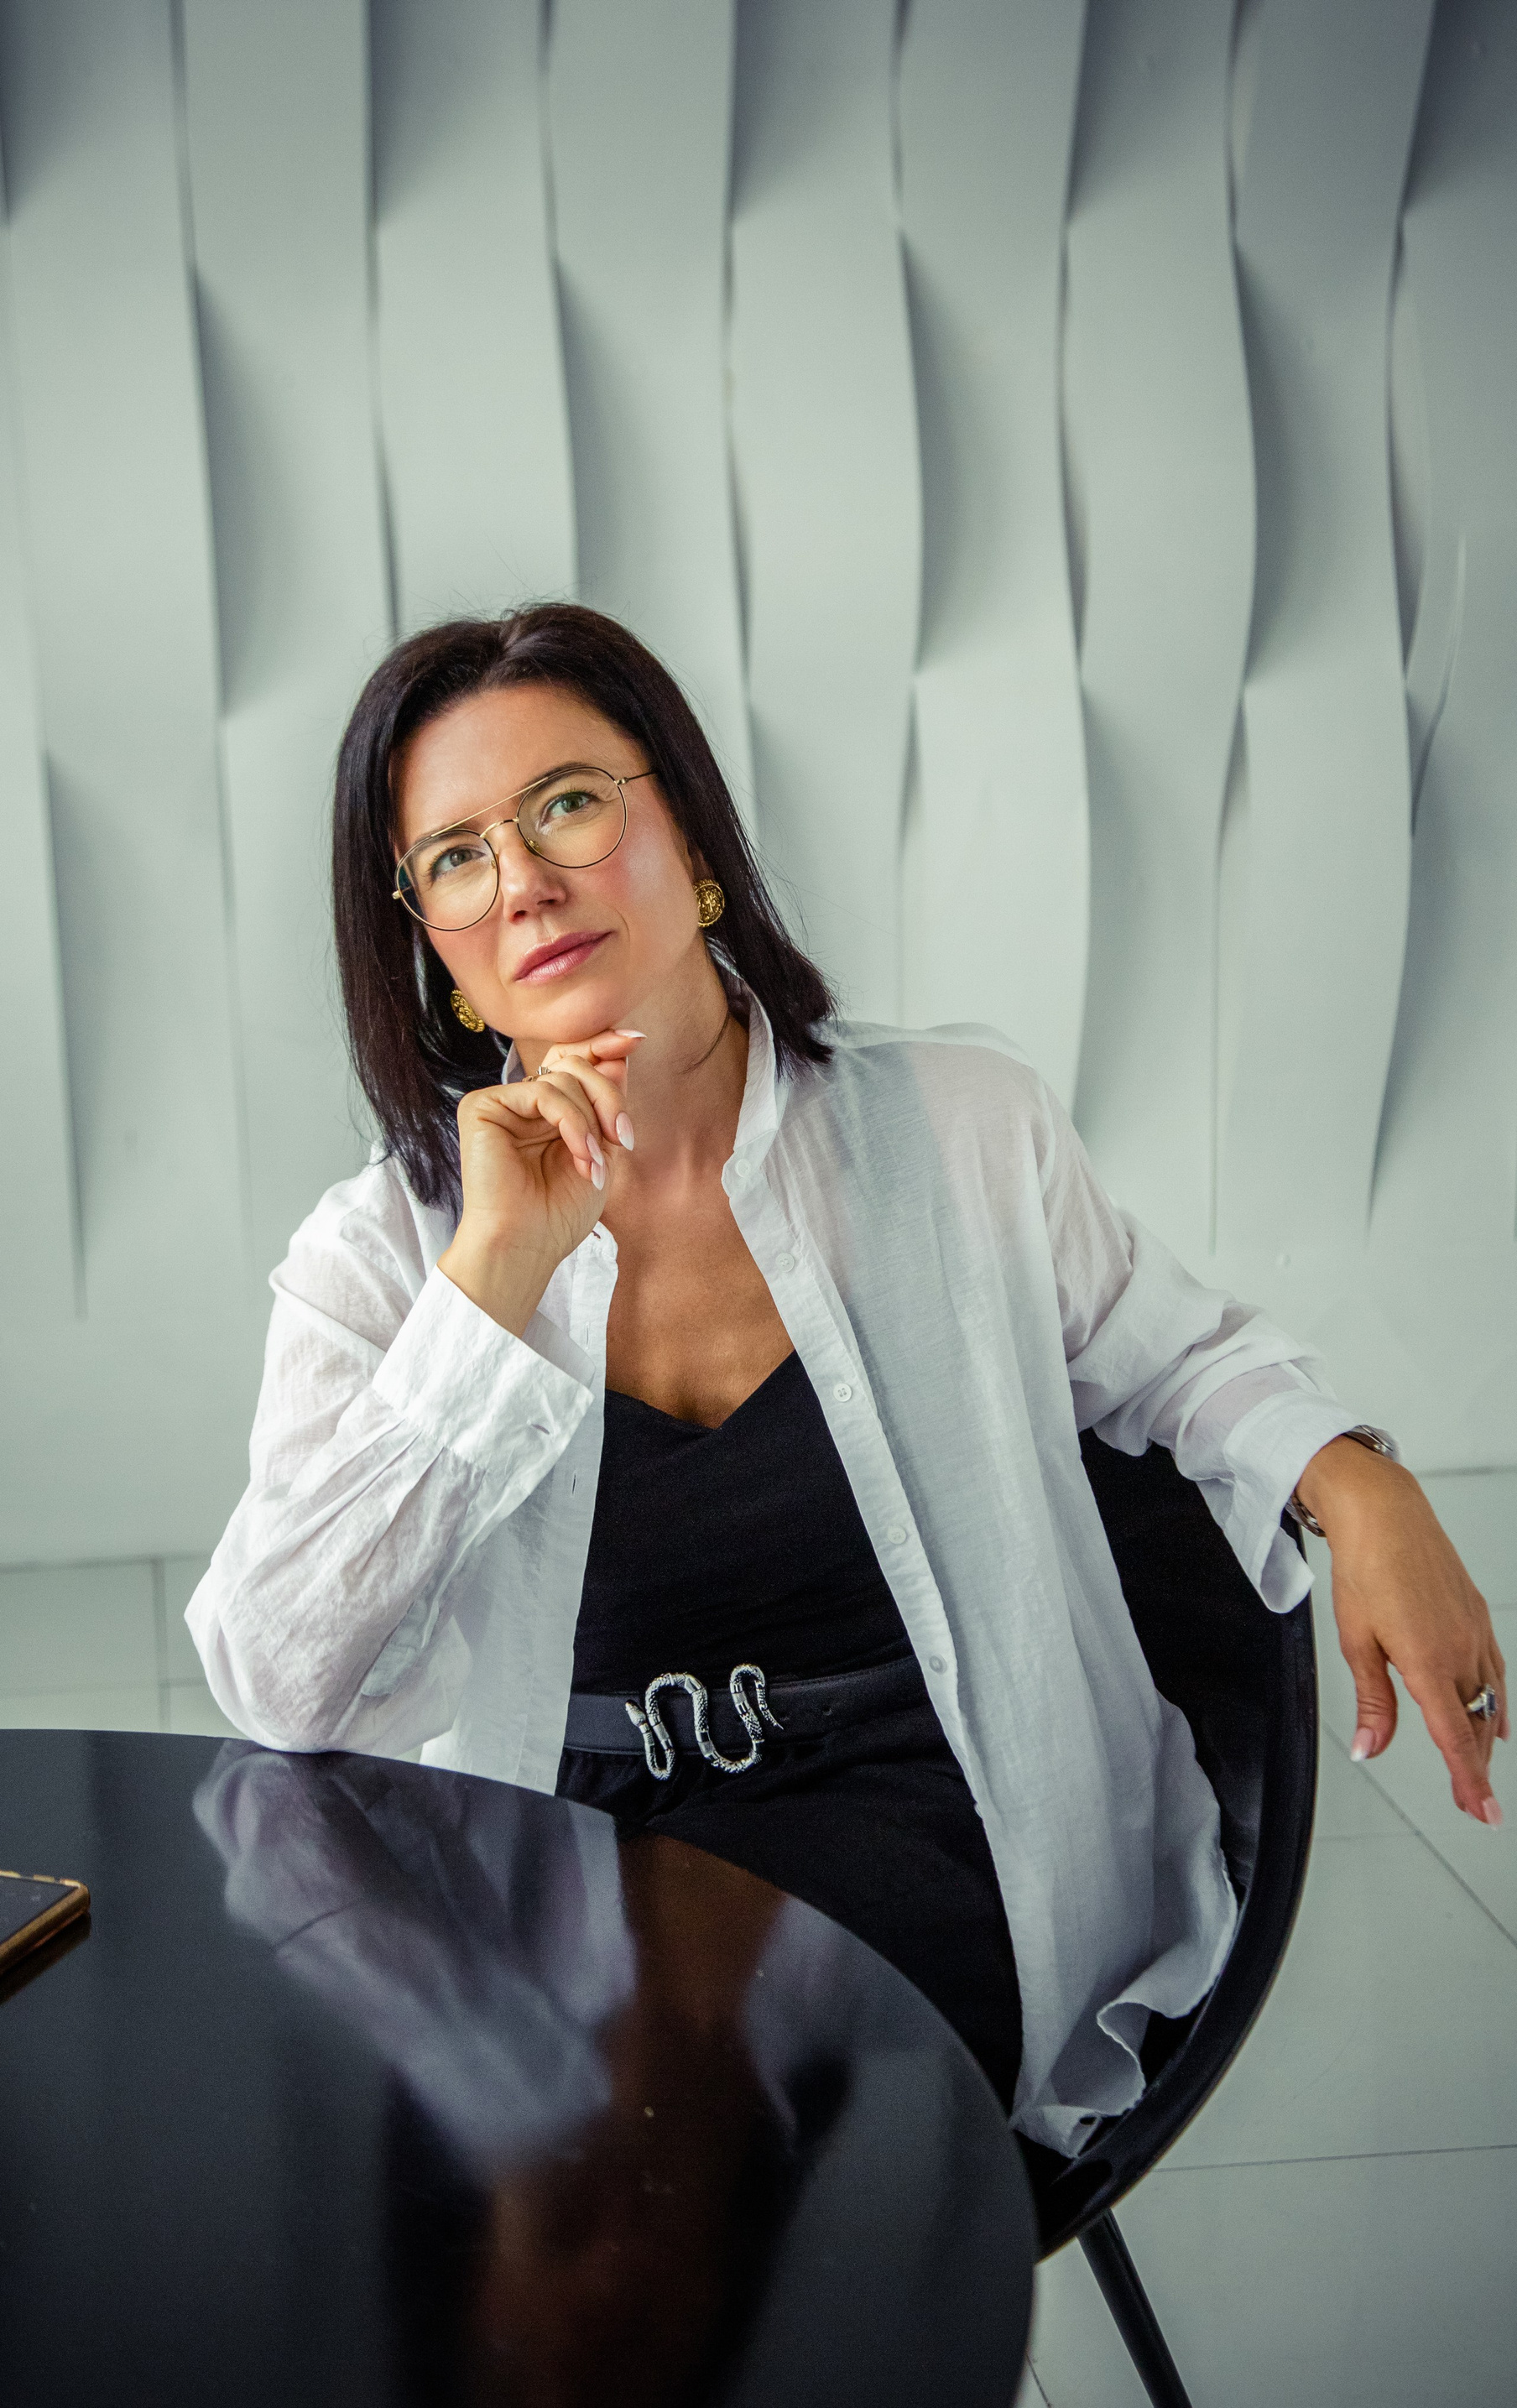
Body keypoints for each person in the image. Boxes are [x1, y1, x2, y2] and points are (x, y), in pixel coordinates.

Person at [185, 603, 1506, 2157]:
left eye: (568, 803)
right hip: (567, 1847)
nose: (524, 879)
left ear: (692, 833)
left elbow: (1175, 1353)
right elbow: (277, 1677)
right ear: (436, 946)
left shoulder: (955, 1123)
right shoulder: (385, 1252)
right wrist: (488, 1287)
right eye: (456, 856)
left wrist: (1362, 1479)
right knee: (546, 2126)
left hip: (939, 1798)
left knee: (641, 2121)